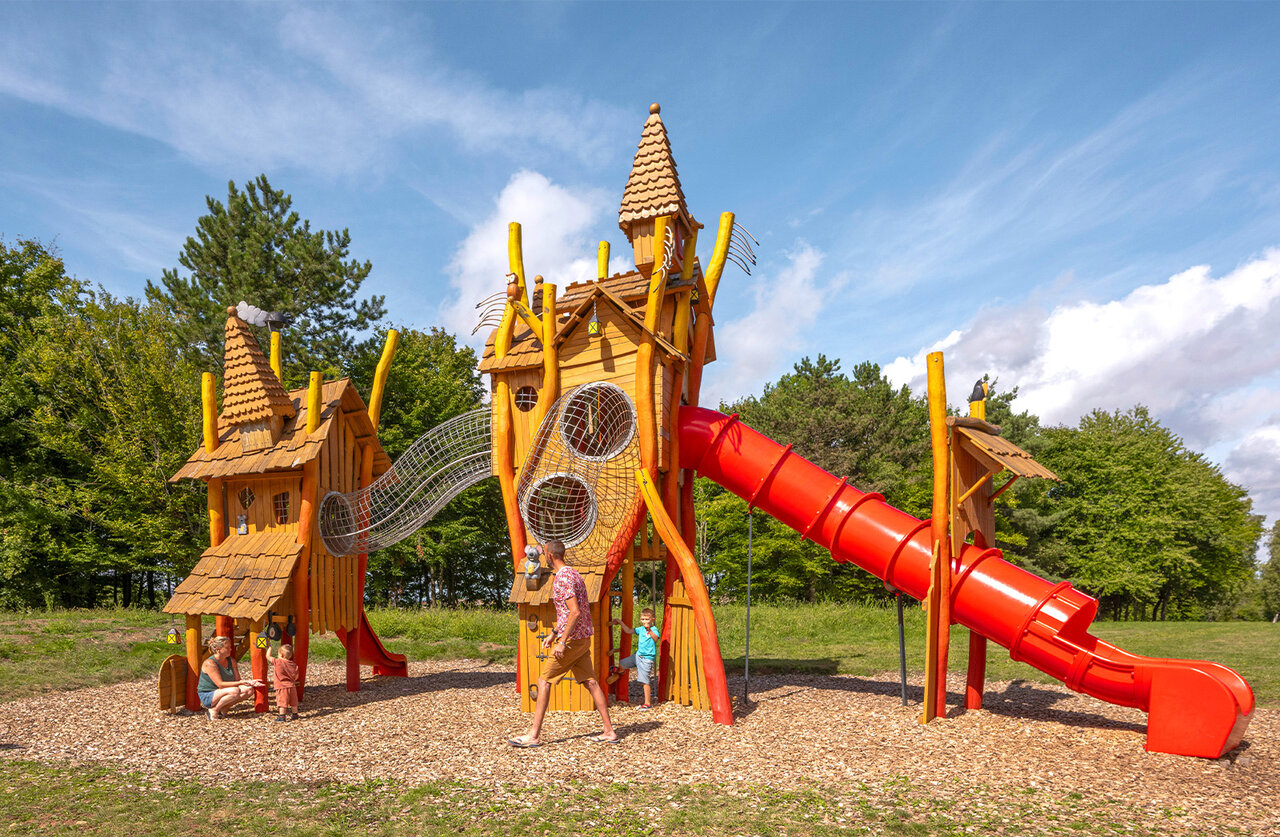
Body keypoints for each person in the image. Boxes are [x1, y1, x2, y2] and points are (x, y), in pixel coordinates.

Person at [509, 540, 618, 747]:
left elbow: (575, 612)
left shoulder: (562, 578)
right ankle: (609, 731)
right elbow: (569, 612)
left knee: (543, 681)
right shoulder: (575, 574)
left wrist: (562, 641)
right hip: (583, 639)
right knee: (591, 682)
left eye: (545, 555)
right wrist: (554, 633)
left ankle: (533, 736)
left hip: (572, 642)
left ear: (550, 556)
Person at [197, 635, 263, 719]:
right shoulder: (210, 663)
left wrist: (250, 682)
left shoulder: (231, 661)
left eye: (230, 647)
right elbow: (220, 684)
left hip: (224, 691)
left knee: (249, 689)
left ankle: (223, 707)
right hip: (209, 694)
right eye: (227, 647)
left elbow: (237, 680)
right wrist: (242, 682)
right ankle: (214, 710)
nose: (230, 649)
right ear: (218, 649)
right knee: (235, 691)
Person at [609, 607, 660, 709]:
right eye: (643, 619)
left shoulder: (653, 629)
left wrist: (649, 629)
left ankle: (647, 703)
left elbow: (655, 639)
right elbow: (628, 630)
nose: (644, 621)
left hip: (646, 659)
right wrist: (620, 622)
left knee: (644, 681)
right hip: (637, 656)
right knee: (622, 663)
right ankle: (621, 670)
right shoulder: (640, 629)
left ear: (652, 620)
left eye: (647, 619)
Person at [265, 641, 299, 722]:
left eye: (278, 654)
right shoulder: (294, 665)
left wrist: (269, 648)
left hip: (281, 686)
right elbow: (296, 676)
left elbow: (268, 656)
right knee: (294, 701)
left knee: (282, 702)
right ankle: (295, 714)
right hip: (292, 685)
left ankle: (282, 716)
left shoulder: (278, 662)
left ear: (282, 655)